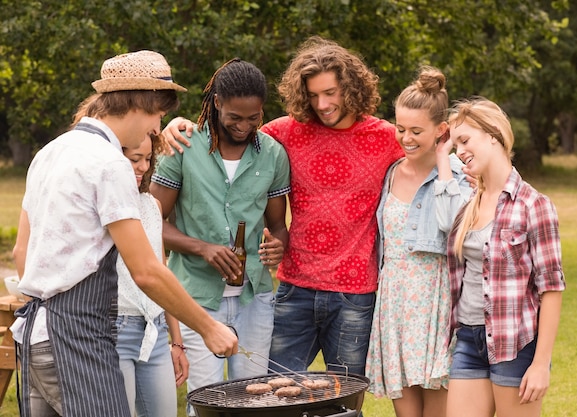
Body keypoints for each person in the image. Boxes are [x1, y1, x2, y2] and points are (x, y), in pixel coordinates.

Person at [11, 50, 237, 417]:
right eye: (158, 115)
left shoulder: (51, 151)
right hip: (77, 344)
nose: (154, 129)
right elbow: (146, 270)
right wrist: (209, 327)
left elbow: (23, 251)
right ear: (141, 103)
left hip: (36, 338)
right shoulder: (108, 161)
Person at [162, 37, 404, 377]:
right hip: (296, 290)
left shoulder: (387, 137)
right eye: (313, 94)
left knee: (345, 400)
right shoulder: (284, 133)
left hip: (355, 292)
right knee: (274, 396)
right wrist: (178, 124)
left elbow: (427, 152)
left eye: (330, 92)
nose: (322, 104)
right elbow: (229, 127)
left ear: (351, 87)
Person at [149, 58, 290, 409]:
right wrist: (203, 248)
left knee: (254, 398)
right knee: (207, 399)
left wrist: (277, 247)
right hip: (197, 297)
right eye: (235, 117)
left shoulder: (273, 155)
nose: (244, 126)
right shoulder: (182, 147)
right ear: (216, 103)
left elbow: (277, 227)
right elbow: (151, 222)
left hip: (253, 299)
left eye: (253, 117)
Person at [445, 97, 565, 417]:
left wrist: (540, 364)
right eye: (455, 145)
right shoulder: (467, 204)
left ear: (494, 135)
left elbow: (551, 289)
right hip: (469, 340)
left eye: (465, 140)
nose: (459, 151)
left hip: (516, 344)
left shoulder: (533, 205)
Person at [365, 67, 472, 417]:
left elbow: (453, 228)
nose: (406, 138)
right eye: (400, 129)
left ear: (442, 131)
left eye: (416, 131)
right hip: (394, 301)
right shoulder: (392, 171)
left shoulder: (458, 176)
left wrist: (443, 162)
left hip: (434, 302)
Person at [116, 132, 189, 417]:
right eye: (135, 159)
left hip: (155, 331)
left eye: (148, 159)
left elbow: (161, 271)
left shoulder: (151, 205)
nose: (144, 167)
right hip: (117, 330)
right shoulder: (104, 205)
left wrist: (177, 341)